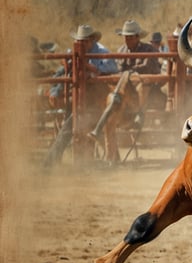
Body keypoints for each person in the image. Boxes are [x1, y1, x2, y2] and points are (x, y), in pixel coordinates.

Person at [43, 24, 119, 167]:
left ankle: (52, 159)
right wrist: (55, 91)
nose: (81, 43)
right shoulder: (77, 52)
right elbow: (61, 72)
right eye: (80, 41)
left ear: (92, 40)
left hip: (98, 99)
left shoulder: (102, 52)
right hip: (81, 98)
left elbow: (112, 68)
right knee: (72, 120)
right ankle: (110, 160)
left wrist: (91, 68)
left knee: (73, 123)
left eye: (84, 41)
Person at [88, 19, 161, 162]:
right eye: (126, 37)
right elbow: (118, 69)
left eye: (131, 37)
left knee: (139, 80)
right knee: (121, 81)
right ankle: (111, 158)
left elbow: (148, 68)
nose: (128, 40)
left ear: (138, 37)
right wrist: (126, 74)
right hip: (125, 92)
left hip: (145, 92)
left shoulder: (149, 49)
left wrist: (129, 73)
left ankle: (137, 111)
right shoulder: (122, 50)